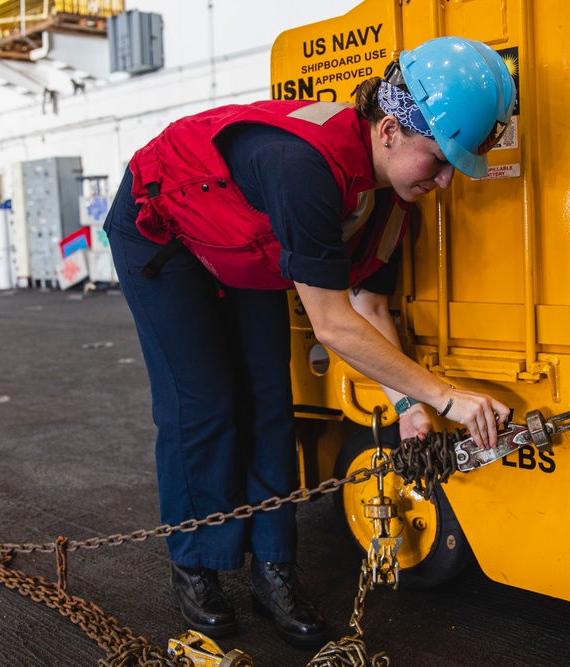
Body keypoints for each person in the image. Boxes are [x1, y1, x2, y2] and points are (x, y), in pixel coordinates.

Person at [104, 36, 515, 649]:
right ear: (389, 132)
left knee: (271, 399)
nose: (447, 181)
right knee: (204, 404)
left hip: (249, 244)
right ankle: (198, 567)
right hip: (164, 233)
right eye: (439, 158)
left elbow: (367, 305)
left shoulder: (394, 201)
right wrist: (447, 395)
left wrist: (409, 406)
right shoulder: (303, 167)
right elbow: (332, 324)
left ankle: (274, 569)